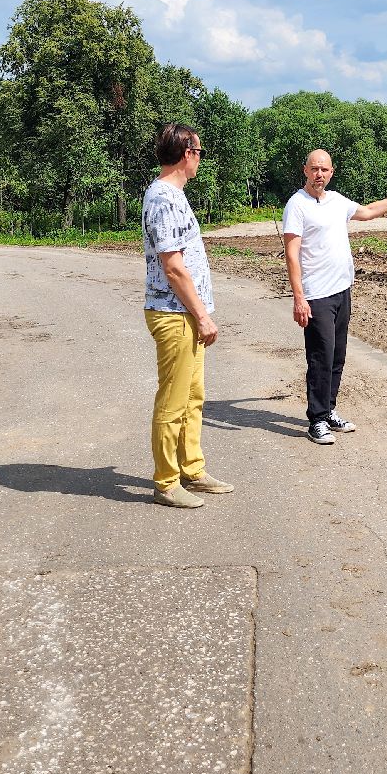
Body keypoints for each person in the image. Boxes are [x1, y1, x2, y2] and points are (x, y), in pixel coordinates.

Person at [282, 149, 387, 445]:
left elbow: (369, 212)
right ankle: (317, 419)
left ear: (332, 172)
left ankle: (329, 410)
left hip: (341, 290)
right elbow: (291, 253)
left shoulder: (337, 201)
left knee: (337, 356)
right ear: (305, 171)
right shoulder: (296, 205)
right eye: (314, 169)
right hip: (316, 295)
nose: (319, 174)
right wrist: (299, 298)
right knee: (320, 357)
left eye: (324, 169)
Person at [141, 123, 233, 508]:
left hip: (188, 314)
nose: (200, 159)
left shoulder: (174, 195)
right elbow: (174, 266)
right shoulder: (163, 197)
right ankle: (166, 481)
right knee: (173, 401)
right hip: (175, 313)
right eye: (199, 152)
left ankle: (191, 469)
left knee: (193, 397)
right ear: (187, 153)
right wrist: (202, 315)